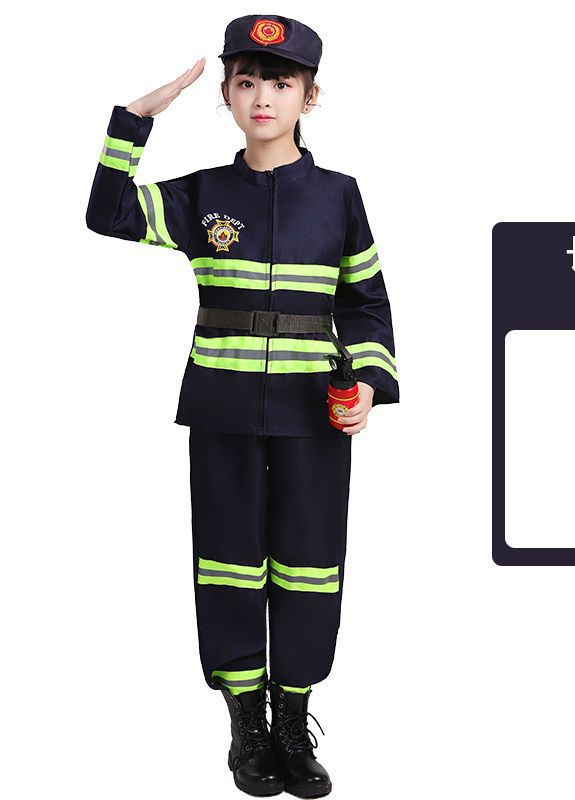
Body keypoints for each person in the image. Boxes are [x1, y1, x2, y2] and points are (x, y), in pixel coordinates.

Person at [85, 13, 399, 798]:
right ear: (225, 93)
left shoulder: (339, 197)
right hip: (222, 410)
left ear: (309, 97)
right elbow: (108, 212)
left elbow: (366, 303)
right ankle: (245, 726)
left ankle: (293, 721)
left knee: (309, 569)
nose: (263, 97)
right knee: (227, 564)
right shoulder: (203, 195)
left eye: (281, 83)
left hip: (314, 415)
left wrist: (367, 382)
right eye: (247, 81)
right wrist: (135, 121)